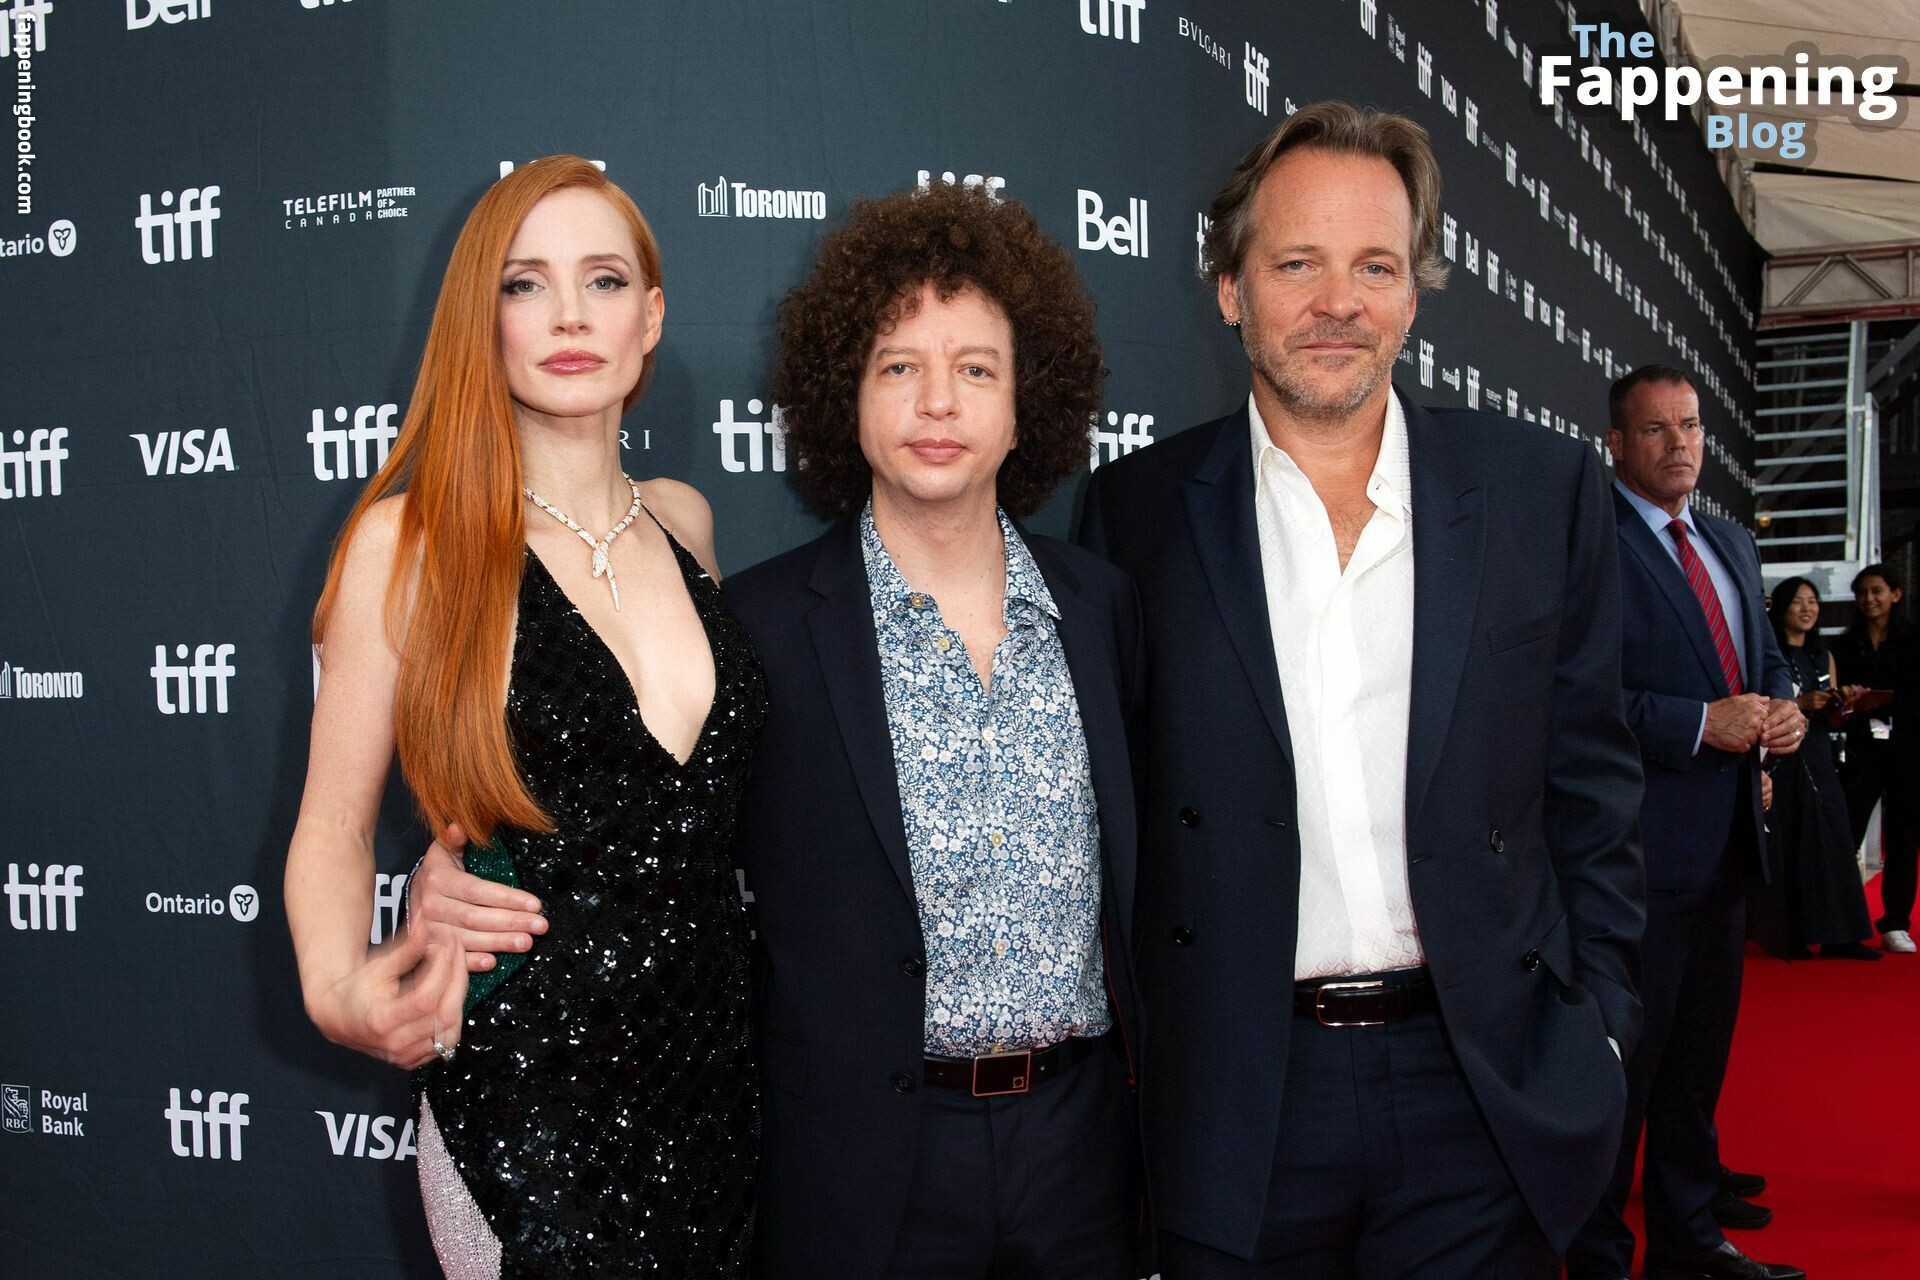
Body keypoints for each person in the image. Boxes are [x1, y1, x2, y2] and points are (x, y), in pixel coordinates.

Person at [1080, 100, 1644, 1278]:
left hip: (1484, 1087)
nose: (1338, 302)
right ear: (1230, 289)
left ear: (1413, 294)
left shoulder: (1539, 491)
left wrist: (1600, 1026)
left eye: (1374, 266)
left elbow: (1594, 782)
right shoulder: (1134, 516)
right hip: (1242, 1101)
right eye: (1298, 263)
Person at [284, 156, 764, 1277]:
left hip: (718, 1088)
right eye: (524, 283)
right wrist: (339, 986)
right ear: (481, 317)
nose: (568, 315)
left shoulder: (686, 522)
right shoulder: (409, 545)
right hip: (527, 1107)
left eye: (604, 280)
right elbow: (332, 825)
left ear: (651, 318)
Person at [725, 181, 1145, 1279]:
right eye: (899, 366)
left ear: (1026, 400)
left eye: (976, 369)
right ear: (846, 395)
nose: (938, 403)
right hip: (867, 1162)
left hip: (1083, 1149)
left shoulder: (1101, 607)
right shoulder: (763, 626)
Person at [1564, 365, 1807, 1280]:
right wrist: (1701, 724)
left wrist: (1781, 711)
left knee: (1697, 1067)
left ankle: (1689, 1243)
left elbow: (1767, 661)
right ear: (1616, 444)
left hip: (1730, 849)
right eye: (1656, 429)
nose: (1680, 445)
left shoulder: (1731, 542)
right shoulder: (1590, 543)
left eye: (1692, 426)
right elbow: (1573, 698)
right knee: (1625, 1075)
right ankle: (1596, 1253)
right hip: (1634, 859)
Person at [1762, 577, 1878, 961]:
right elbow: (1762, 702)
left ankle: (1841, 935)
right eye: (1798, 601)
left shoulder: (1823, 655)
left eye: (1813, 601)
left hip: (1818, 753)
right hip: (1781, 754)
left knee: (1834, 838)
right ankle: (1788, 933)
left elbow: (1834, 720)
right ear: (1781, 607)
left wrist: (1843, 703)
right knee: (1791, 841)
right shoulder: (1769, 654)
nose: (1807, 608)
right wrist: (1800, 702)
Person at [1832, 563, 1917, 952]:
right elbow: (1835, 704)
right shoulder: (1845, 645)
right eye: (1863, 592)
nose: (1869, 599)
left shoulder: (1913, 639)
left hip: (1908, 748)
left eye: (1877, 591)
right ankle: (1839, 921)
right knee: (1846, 832)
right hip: (1861, 746)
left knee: (1903, 837)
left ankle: (1896, 923)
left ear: (1896, 594)